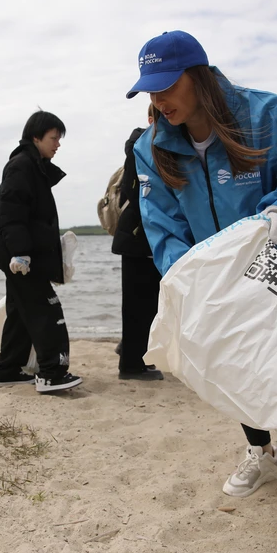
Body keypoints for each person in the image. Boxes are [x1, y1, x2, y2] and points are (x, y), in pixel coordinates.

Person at [126, 30, 277, 503]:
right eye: (149, 90)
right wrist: (186, 277)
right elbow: (163, 225)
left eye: (167, 86)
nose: (158, 100)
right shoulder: (151, 147)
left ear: (198, 77)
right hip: (219, 279)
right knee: (239, 366)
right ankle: (261, 452)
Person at [0, 110, 83, 393]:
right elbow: (11, 213)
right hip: (22, 258)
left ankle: (8, 371)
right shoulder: (21, 166)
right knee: (46, 310)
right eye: (54, 138)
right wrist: (20, 253)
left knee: (20, 313)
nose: (58, 144)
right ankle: (51, 373)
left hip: (24, 255)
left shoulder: (34, 165)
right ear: (36, 137)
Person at [111, 103, 165, 382]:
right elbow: (140, 191)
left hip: (139, 237)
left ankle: (131, 352)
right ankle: (131, 365)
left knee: (146, 303)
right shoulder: (142, 145)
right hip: (139, 236)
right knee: (139, 304)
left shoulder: (143, 144)